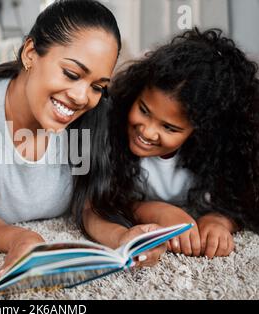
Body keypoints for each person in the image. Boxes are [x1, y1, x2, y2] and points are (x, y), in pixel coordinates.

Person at [0, 0, 163, 286]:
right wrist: (24, 240)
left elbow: (89, 208)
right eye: (71, 74)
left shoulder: (93, 115)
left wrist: (124, 238)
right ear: (31, 53)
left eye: (97, 86)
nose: (83, 97)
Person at [70, 28, 259, 261]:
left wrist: (219, 220)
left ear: (202, 132)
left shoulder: (219, 156)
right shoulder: (108, 128)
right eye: (143, 110)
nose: (147, 131)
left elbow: (241, 202)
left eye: (169, 128)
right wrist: (154, 210)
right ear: (136, 93)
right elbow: (94, 205)